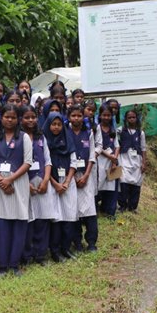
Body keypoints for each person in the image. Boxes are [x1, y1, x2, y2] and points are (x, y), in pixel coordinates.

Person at [0, 105, 32, 277]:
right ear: (1, 117)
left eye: (13, 117)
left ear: (18, 119)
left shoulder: (24, 138)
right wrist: (1, 180)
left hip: (18, 185)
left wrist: (10, 179)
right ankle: (2, 265)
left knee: (18, 224)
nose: (10, 120)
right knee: (1, 226)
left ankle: (14, 265)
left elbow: (28, 162)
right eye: (7, 116)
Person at [21, 105, 60, 265]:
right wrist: (25, 184)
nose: (30, 120)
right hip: (26, 183)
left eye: (33, 117)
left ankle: (41, 254)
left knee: (42, 220)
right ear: (20, 119)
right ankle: (27, 255)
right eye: (27, 117)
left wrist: (45, 180)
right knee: (28, 220)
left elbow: (48, 160)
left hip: (42, 182)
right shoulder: (19, 137)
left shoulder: (41, 137)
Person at [44, 112, 78, 261]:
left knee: (69, 216)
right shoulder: (45, 142)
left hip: (67, 183)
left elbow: (73, 162)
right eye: (53, 124)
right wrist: (55, 183)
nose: (56, 127)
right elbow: (45, 164)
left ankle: (66, 248)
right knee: (56, 218)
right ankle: (55, 251)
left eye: (59, 124)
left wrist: (67, 182)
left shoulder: (67, 139)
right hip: (53, 184)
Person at [68, 104, 98, 252]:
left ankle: (91, 242)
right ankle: (77, 242)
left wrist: (86, 175)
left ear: (83, 117)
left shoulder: (89, 132)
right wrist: (72, 177)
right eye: (73, 115)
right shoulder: (65, 131)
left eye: (79, 115)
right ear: (69, 117)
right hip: (70, 176)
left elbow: (92, 155)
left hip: (86, 175)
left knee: (89, 209)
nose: (76, 118)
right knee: (74, 210)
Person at [117, 109, 147, 213]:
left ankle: (133, 207)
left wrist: (143, 162)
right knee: (123, 182)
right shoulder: (120, 130)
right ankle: (122, 205)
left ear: (137, 118)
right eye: (129, 117)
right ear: (126, 119)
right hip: (124, 159)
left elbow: (143, 148)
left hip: (136, 161)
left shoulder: (140, 133)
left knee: (136, 184)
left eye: (133, 117)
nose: (131, 119)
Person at [95, 104, 121, 217]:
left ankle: (110, 211)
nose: (106, 117)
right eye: (104, 115)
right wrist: (110, 157)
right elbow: (97, 146)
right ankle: (95, 210)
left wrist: (114, 160)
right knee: (98, 185)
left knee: (112, 187)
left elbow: (117, 145)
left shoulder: (112, 129)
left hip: (112, 161)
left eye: (108, 115)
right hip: (100, 160)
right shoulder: (97, 128)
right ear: (100, 116)